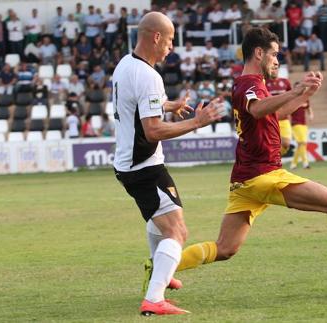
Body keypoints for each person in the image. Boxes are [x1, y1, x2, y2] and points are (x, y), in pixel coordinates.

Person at [174, 27, 327, 295]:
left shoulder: (251, 85)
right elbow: (257, 110)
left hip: (245, 179)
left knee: (225, 248)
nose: (277, 60)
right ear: (258, 53)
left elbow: (273, 116)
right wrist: (293, 92)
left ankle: (161, 268)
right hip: (263, 174)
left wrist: (304, 96)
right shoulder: (250, 85)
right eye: (274, 54)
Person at [112, 12, 223, 316]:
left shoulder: (127, 65)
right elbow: (153, 130)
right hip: (144, 164)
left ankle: (160, 271)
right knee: (177, 232)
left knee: (160, 220)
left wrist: (169, 104)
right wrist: (198, 122)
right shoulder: (149, 75)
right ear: (156, 37)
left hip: (130, 163)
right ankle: (154, 298)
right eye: (171, 39)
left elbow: (139, 103)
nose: (172, 47)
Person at [265, 70, 293, 156]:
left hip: (284, 117)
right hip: (270, 118)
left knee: (286, 143)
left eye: (275, 69)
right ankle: (273, 160)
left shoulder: (285, 82)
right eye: (272, 70)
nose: (274, 71)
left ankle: (275, 157)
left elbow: (291, 96)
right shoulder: (264, 83)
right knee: (270, 144)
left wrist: (289, 111)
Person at [290, 91, 313, 170]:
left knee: (301, 144)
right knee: (302, 142)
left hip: (304, 124)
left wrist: (311, 114)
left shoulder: (305, 98)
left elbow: (308, 107)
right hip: (295, 124)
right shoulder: (292, 99)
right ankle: (305, 163)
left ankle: (293, 164)